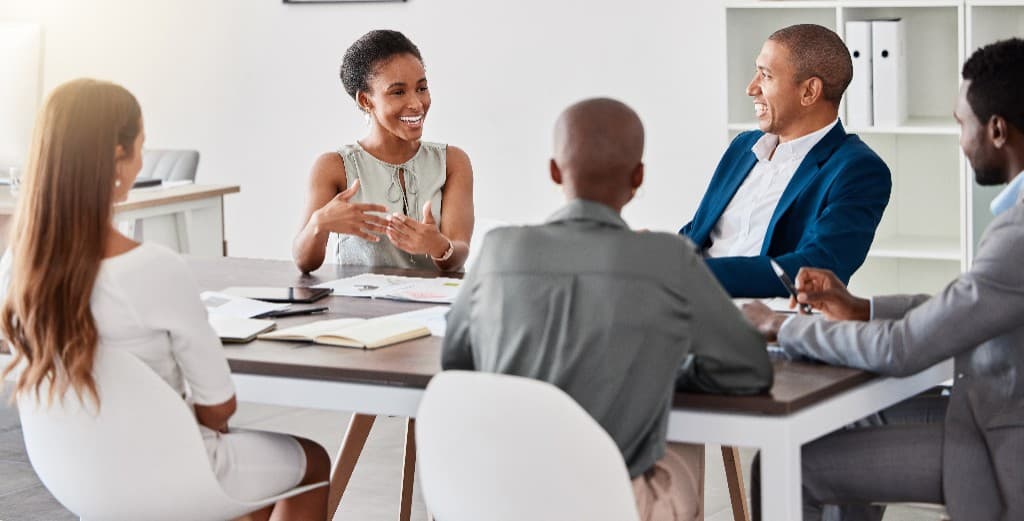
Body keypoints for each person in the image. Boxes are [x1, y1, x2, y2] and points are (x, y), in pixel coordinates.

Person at [0, 79, 330, 521]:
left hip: (74, 481)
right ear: (119, 158)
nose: (140, 161)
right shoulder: (151, 267)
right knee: (311, 462)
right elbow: (218, 408)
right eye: (140, 147)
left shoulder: (15, 268)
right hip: (168, 479)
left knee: (246, 493)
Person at [443, 98, 773, 521]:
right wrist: (663, 370)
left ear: (554, 171)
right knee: (677, 435)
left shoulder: (497, 249)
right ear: (638, 178)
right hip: (608, 505)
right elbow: (750, 369)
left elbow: (456, 364)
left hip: (493, 500)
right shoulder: (668, 257)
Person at [742, 38, 1024, 521]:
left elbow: (902, 349)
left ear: (996, 129)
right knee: (852, 416)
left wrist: (781, 326)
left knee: (789, 465)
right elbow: (964, 305)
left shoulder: (1017, 233)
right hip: (991, 405)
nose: (961, 142)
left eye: (962, 124)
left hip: (998, 432)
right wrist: (861, 308)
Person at [680, 24, 891, 298]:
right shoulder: (743, 147)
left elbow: (819, 267)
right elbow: (699, 231)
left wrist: (692, 275)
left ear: (809, 92)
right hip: (686, 304)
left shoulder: (857, 169)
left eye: (765, 76)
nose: (750, 88)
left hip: (761, 319)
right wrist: (656, 254)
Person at [293, 29, 474, 273]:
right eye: (398, 92)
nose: (416, 103)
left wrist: (438, 246)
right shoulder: (333, 166)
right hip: (363, 306)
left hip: (434, 304)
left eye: (421, 88)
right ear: (366, 101)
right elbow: (305, 262)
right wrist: (320, 223)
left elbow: (458, 254)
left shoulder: (452, 162)